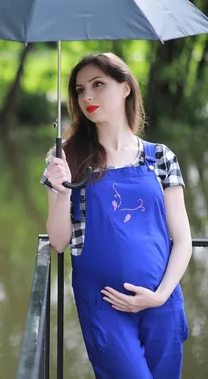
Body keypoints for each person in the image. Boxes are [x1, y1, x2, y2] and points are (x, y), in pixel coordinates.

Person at [41, 53, 192, 379]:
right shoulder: (67, 158)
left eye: (98, 85)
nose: (87, 97)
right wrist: (62, 189)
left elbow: (182, 240)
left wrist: (159, 296)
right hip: (103, 305)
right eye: (80, 90)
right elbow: (58, 241)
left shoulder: (161, 157)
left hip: (160, 300)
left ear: (125, 88)